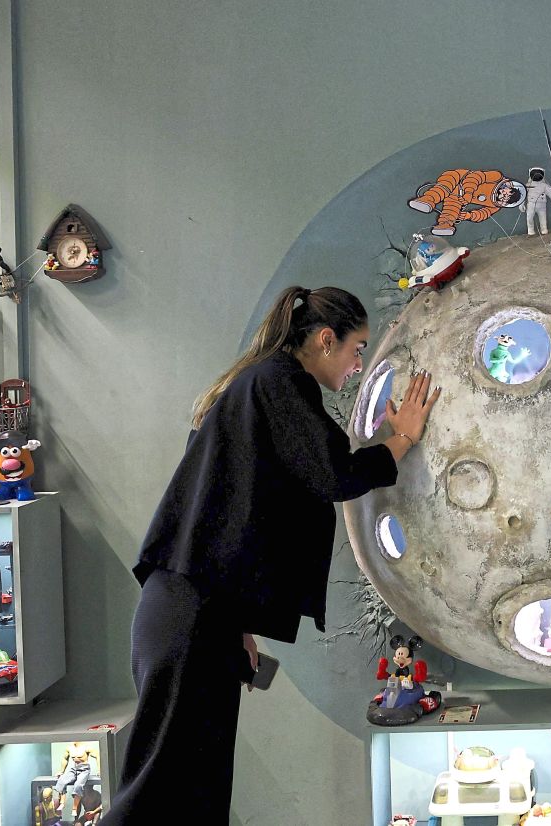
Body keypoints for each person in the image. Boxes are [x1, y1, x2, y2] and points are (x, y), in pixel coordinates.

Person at [102, 286, 440, 823]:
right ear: (325, 340)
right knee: (156, 796)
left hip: (194, 613)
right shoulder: (281, 380)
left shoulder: (253, 386)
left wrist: (237, 624)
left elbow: (230, 510)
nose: (358, 365)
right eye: (356, 349)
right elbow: (334, 474)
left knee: (196, 794)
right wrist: (402, 439)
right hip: (190, 618)